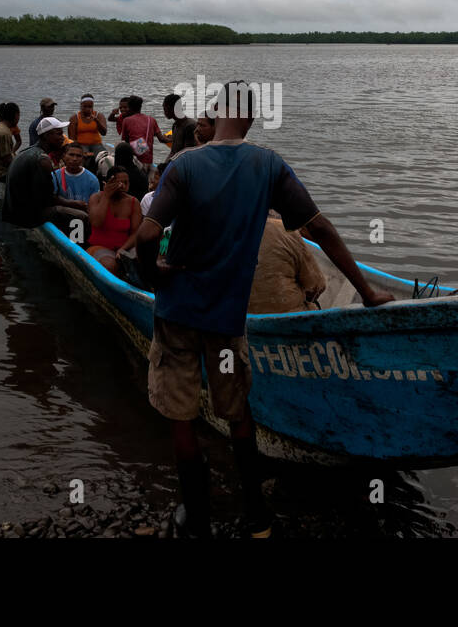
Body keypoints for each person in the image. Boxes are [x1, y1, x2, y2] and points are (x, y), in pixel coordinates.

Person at [130, 80, 395, 538]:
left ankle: (196, 519)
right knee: (238, 415)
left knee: (182, 415)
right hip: (228, 320)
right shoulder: (268, 165)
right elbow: (321, 229)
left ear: (214, 112)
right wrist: (366, 292)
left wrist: (157, 275)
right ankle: (257, 518)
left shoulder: (186, 165)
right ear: (252, 118)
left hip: (177, 314)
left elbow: (149, 235)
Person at [3, 117, 88, 234]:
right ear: (46, 136)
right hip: (26, 217)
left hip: (13, 212)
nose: (62, 138)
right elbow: (47, 199)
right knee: (81, 217)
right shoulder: (42, 160)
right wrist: (73, 204)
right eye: (59, 134)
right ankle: (78, 245)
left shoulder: (26, 151)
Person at [247, 213, 327, 314]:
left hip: (238, 319)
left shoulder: (225, 229)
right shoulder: (286, 231)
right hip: (291, 316)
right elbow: (317, 287)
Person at [86, 169, 142, 278]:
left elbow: (135, 234)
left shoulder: (134, 203)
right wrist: (106, 196)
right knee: (110, 265)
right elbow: (96, 223)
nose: (123, 186)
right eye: (118, 183)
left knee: (144, 259)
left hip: (124, 249)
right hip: (98, 247)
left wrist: (123, 249)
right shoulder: (96, 198)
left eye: (126, 183)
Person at [115, 95, 164, 171]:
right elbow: (162, 139)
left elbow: (124, 142)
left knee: (119, 146)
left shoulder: (127, 120)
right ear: (140, 107)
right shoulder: (151, 119)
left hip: (136, 162)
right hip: (149, 160)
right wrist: (172, 138)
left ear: (129, 107)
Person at [68, 94, 107, 164]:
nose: (87, 109)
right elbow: (72, 139)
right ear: (81, 106)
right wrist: (79, 150)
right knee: (83, 159)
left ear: (93, 106)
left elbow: (104, 133)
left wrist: (96, 121)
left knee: (103, 159)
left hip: (96, 144)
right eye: (85, 106)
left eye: (90, 107)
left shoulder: (98, 115)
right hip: (81, 144)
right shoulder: (74, 118)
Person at [163, 93, 198, 158]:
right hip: (176, 162)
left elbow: (187, 153)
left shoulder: (190, 126)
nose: (164, 111)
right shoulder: (175, 126)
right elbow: (173, 151)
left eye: (165, 108)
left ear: (171, 108)